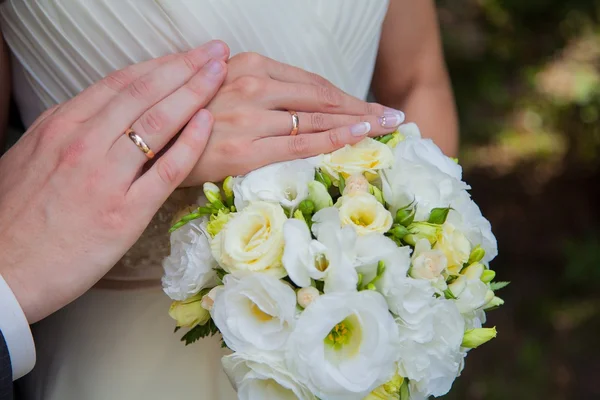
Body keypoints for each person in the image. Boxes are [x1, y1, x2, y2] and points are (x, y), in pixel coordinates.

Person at [0, 1, 458, 399]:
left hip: (354, 345)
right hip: (113, 351)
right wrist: (177, 144)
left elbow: (418, 82)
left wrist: (409, 268)